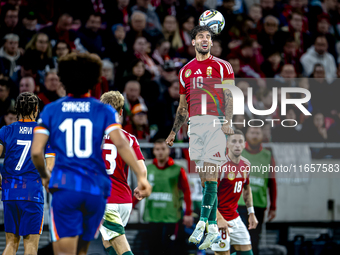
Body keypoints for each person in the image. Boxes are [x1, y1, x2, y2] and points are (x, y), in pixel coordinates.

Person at [30, 52, 151, 255]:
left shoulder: (52, 110)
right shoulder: (102, 112)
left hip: (67, 188)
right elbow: (121, 144)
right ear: (95, 80)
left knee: (67, 251)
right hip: (97, 194)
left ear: (63, 79)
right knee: (98, 245)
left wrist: (44, 175)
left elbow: (36, 153)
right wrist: (141, 177)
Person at [166, 25, 234, 250]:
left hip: (215, 122)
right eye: (200, 37)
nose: (205, 40)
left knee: (211, 174)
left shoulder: (223, 67)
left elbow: (229, 95)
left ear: (212, 43)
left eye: (208, 37)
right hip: (194, 126)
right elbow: (183, 106)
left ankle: (203, 221)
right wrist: (174, 132)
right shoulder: (185, 71)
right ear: (193, 42)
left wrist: (228, 121)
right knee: (205, 179)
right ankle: (213, 226)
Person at [0, 92, 54, 255]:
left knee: (11, 244)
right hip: (32, 193)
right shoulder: (44, 133)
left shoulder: (5, 130)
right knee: (30, 247)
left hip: (9, 193)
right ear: (37, 109)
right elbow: (50, 165)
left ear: (16, 109)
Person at [99, 91, 148, 255]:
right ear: (121, 112)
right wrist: (142, 184)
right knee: (108, 242)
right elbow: (141, 167)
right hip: (124, 201)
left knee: (121, 247)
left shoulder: (93, 136)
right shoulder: (130, 138)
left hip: (106, 200)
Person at [143, 139, 194, 255]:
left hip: (171, 217)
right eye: (157, 149)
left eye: (163, 149)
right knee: (153, 249)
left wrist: (188, 213)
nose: (160, 152)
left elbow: (187, 192)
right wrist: (131, 206)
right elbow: (140, 191)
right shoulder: (148, 169)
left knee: (169, 249)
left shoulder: (178, 170)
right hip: (153, 215)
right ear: (153, 151)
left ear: (169, 151)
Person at [211, 130, 258, 255]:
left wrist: (251, 213)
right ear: (227, 144)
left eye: (240, 141)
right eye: (233, 141)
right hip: (218, 218)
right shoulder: (220, 166)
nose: (237, 145)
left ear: (244, 145)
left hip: (235, 218)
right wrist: (218, 219)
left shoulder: (246, 165)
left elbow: (246, 188)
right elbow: (209, 195)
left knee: (248, 253)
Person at [238, 127, 277, 255]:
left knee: (254, 240)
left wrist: (273, 206)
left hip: (258, 205)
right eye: (252, 132)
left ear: (262, 136)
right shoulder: (237, 152)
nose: (255, 136)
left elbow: (272, 182)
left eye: (257, 133)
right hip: (239, 204)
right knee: (239, 240)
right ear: (246, 135)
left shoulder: (267, 156)